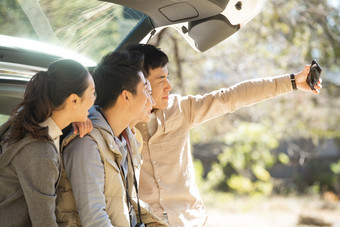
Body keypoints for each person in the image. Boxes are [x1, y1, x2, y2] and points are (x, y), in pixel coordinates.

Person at [125, 43, 323, 226]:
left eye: (168, 77)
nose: (169, 86)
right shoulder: (120, 122)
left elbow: (233, 97)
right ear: (140, 83)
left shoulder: (181, 109)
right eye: (161, 80)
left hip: (189, 219)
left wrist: (292, 82)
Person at [62, 51, 167, 227]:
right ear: (126, 96)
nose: (151, 100)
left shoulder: (124, 138)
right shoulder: (86, 144)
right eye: (146, 91)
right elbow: (95, 219)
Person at [0, 59, 96, 227]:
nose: (94, 101)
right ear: (73, 100)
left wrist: (73, 119)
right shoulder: (40, 153)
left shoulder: (27, 119)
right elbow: (44, 223)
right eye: (93, 93)